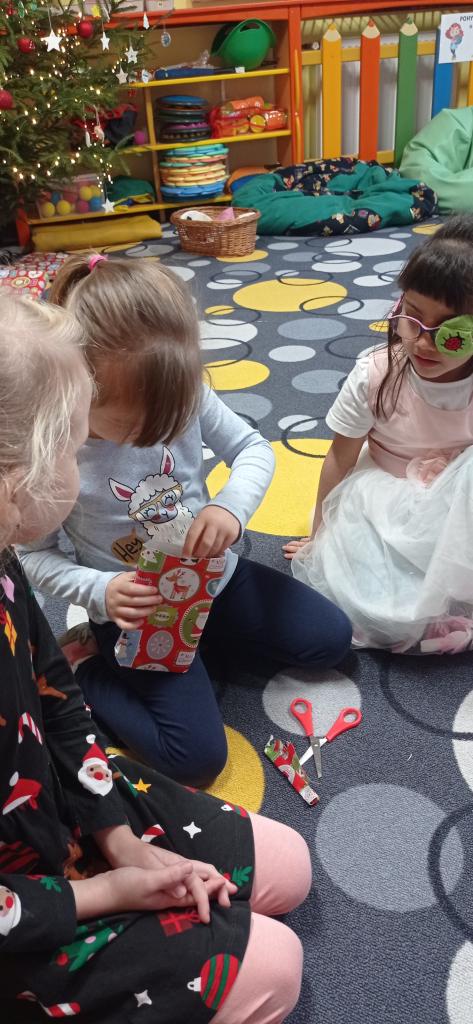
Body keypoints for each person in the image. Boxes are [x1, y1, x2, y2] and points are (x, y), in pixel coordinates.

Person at [0, 291, 312, 1024]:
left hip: (60, 798)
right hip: (29, 907)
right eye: (75, 445)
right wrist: (102, 891)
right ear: (16, 482)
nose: (88, 459)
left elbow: (53, 700)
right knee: (277, 966)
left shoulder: (5, 560)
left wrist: (116, 836)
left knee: (291, 868)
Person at [19, 253, 351, 786]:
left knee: (332, 639)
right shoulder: (58, 449)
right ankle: (84, 667)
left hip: (211, 579)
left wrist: (229, 507)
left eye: (168, 419)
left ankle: (202, 648)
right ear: (81, 389)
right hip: (136, 612)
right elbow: (34, 556)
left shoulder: (184, 390)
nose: (157, 433)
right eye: (138, 425)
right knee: (196, 759)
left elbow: (253, 449)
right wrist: (101, 591)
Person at [284, 215, 473, 654]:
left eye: (450, 333)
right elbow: (340, 457)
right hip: (381, 500)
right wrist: (319, 535)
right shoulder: (375, 375)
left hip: (459, 503)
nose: (423, 343)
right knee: (381, 610)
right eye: (412, 319)